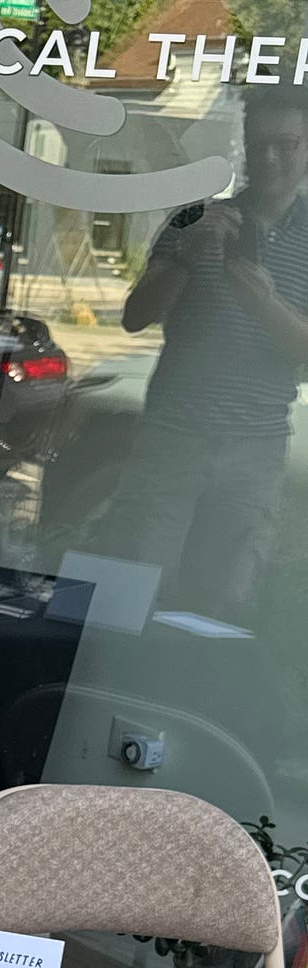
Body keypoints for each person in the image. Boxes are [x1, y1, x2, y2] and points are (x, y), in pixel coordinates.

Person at [114, 94, 308, 623]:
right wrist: (184, 259)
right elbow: (134, 317)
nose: (270, 158)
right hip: (172, 439)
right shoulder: (195, 219)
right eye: (259, 145)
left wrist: (264, 302)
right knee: (133, 600)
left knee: (222, 609)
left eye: (286, 145)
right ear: (245, 145)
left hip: (255, 450)